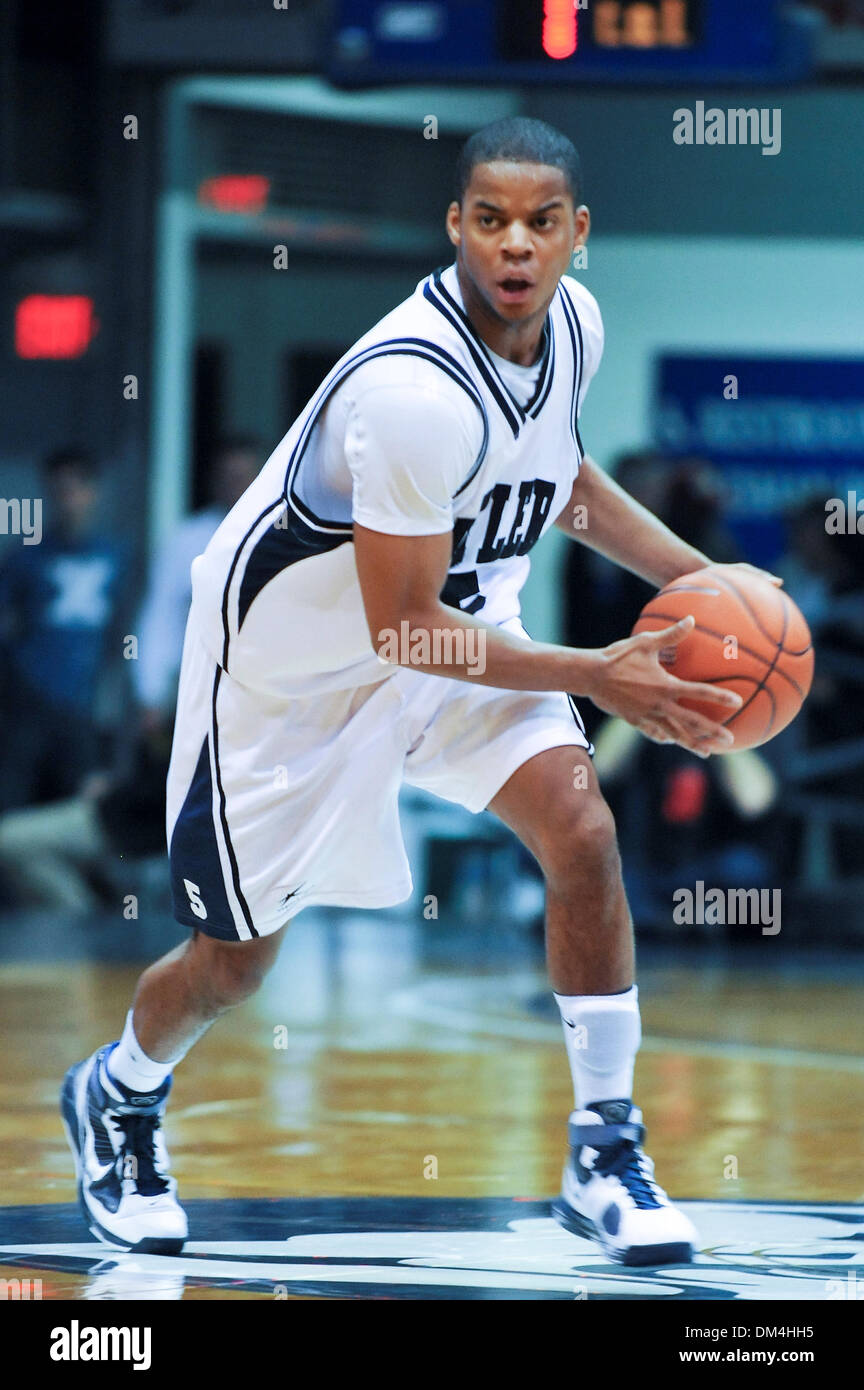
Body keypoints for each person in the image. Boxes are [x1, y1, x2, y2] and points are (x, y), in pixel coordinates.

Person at [61, 118, 779, 1266]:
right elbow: (401, 628)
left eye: (541, 223)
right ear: (455, 225)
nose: (514, 245)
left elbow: (562, 482)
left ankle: (604, 1147)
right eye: (488, 219)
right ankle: (119, 1092)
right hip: (287, 675)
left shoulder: (575, 330)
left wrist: (704, 579)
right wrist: (595, 675)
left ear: (575, 236)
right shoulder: (410, 391)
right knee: (235, 964)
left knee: (584, 830)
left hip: (460, 628)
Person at [0, 448, 126, 812]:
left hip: (85, 704)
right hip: (29, 703)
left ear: (94, 493)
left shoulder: (117, 557)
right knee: (15, 806)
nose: (68, 500)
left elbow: (126, 630)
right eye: (60, 490)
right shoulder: (25, 556)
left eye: (76, 489)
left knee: (81, 808)